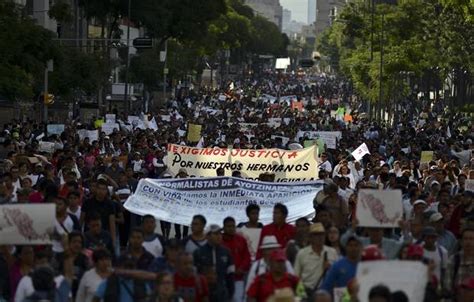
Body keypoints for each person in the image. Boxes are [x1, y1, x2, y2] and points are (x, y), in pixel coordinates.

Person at [294, 223, 338, 298]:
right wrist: (302, 296)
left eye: (322, 234)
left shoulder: (332, 252)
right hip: (308, 292)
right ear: (310, 237)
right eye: (316, 235)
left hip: (327, 293)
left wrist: (330, 268)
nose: (320, 237)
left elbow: (337, 274)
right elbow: (296, 276)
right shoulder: (302, 253)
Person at [193, 224, 234, 302]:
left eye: (220, 233)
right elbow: (195, 275)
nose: (219, 236)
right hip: (204, 292)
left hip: (222, 292)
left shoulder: (226, 252)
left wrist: (230, 294)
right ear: (207, 236)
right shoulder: (198, 253)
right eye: (215, 234)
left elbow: (230, 275)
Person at [221, 217, 250, 302]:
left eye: (233, 226)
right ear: (223, 228)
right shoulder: (219, 241)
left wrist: (241, 269)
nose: (231, 228)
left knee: (238, 300)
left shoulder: (241, 240)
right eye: (228, 226)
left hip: (238, 279)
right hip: (223, 280)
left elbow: (247, 257)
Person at [81, 179, 117, 248]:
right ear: (96, 189)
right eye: (99, 188)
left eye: (104, 189)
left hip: (104, 236)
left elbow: (112, 224)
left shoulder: (110, 204)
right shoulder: (87, 203)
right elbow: (81, 220)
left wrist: (113, 242)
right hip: (89, 236)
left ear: (107, 191)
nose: (101, 191)